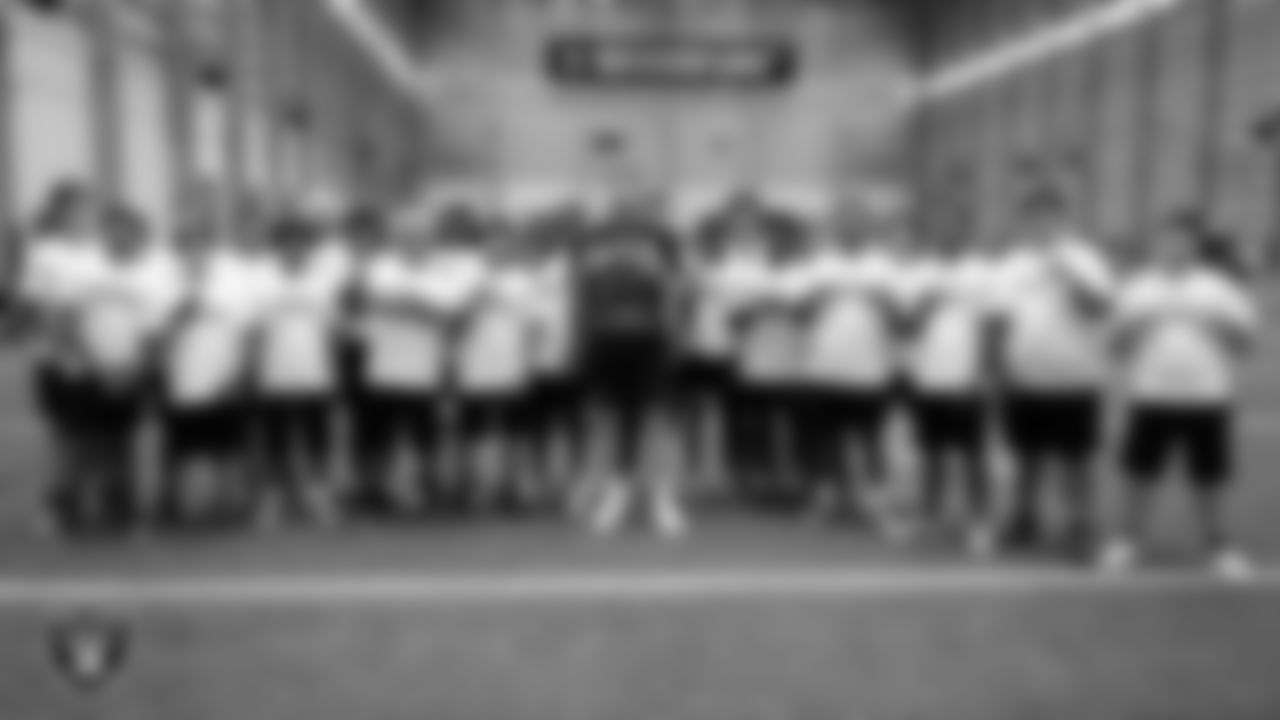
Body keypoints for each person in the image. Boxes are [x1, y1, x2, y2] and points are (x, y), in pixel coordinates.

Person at [1102, 213, 1259, 580]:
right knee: (1139, 474)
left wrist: (1214, 320)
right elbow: (1115, 346)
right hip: (1151, 395)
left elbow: (1246, 342)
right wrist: (1137, 325)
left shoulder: (1218, 288)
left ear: (1195, 246)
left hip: (1207, 396)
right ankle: (1128, 541)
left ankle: (1218, 546)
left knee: (1209, 478)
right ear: (1157, 244)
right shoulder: (1137, 288)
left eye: (1183, 241)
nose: (1175, 248)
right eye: (1168, 240)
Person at [992, 190, 1116, 555]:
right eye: (1033, 218)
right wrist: (999, 372)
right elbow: (999, 321)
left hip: (1075, 379)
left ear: (1062, 219)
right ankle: (1024, 519)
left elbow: (1099, 308)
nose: (1040, 225)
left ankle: (1079, 525)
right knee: (1025, 457)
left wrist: (1065, 272)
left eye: (1048, 217)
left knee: (1075, 460)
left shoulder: (1086, 259)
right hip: (1025, 380)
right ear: (1024, 222)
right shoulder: (1011, 265)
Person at [60, 204, 183, 534]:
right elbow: (67, 324)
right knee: (84, 441)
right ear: (104, 233)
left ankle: (120, 505)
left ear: (139, 235)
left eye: (128, 230)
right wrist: (97, 365)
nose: (121, 236)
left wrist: (133, 370)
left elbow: (156, 331)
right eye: (114, 229)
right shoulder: (81, 269)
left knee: (122, 440)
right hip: (88, 371)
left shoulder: (155, 275)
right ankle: (73, 508)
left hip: (130, 371)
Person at [575, 206, 688, 536]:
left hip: (651, 348)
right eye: (620, 234)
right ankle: (616, 494)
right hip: (608, 347)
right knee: (617, 423)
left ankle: (663, 497)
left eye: (634, 234)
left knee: (657, 421)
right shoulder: (595, 264)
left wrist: (673, 344)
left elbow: (676, 304)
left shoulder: (659, 264)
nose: (627, 241)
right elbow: (586, 308)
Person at [158, 216, 271, 530]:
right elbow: (153, 334)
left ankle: (231, 505)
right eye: (187, 247)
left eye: (200, 246)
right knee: (182, 451)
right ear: (178, 250)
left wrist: (242, 372)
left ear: (210, 249)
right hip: (181, 382)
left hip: (225, 380)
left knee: (230, 449)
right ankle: (181, 507)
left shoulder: (233, 282)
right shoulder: (163, 282)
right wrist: (177, 316)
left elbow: (252, 331)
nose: (194, 253)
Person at [7, 182, 104, 533]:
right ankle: (61, 504)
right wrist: (68, 346)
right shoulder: (44, 254)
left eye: (87, 209)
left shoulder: (100, 252)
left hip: (100, 358)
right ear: (60, 212)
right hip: (59, 358)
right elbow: (35, 306)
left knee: (94, 435)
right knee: (66, 435)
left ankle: (85, 499)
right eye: (75, 209)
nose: (82, 216)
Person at [796, 203, 899, 523]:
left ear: (867, 228)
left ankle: (877, 502)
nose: (851, 228)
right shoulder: (818, 264)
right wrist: (816, 297)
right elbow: (800, 314)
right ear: (836, 227)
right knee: (826, 440)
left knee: (871, 439)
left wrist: (883, 301)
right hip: (823, 367)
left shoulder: (884, 265)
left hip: (869, 369)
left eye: (857, 222)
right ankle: (829, 499)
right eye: (844, 222)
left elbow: (901, 320)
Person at [907, 236, 1003, 554]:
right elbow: (908, 324)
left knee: (974, 456)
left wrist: (983, 374)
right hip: (929, 377)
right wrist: (925, 301)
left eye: (954, 224)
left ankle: (980, 523)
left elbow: (992, 326)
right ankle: (929, 519)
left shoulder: (981, 272)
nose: (946, 231)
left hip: (967, 380)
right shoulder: (921, 271)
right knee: (931, 455)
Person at [253, 215, 351, 525]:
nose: (294, 251)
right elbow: (253, 332)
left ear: (309, 249)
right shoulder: (261, 281)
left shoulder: (324, 283)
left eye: (301, 245)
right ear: (278, 248)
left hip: (315, 376)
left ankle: (319, 500)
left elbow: (335, 333)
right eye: (287, 245)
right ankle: (273, 503)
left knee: (318, 442)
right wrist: (253, 371)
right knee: (275, 444)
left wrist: (334, 374)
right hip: (273, 376)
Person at [347, 213, 446, 518]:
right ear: (398, 242)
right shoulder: (380, 269)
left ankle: (427, 490)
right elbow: (367, 302)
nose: (414, 244)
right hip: (383, 368)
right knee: (376, 436)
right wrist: (418, 306)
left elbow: (448, 314)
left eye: (420, 239)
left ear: (429, 243)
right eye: (407, 239)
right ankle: (373, 491)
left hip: (424, 369)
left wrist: (400, 304)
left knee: (425, 436)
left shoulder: (442, 273)